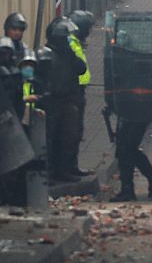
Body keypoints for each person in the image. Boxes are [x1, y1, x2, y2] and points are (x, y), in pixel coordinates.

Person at [41, 18, 87, 183]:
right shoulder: (46, 54)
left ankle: (65, 170)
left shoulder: (68, 55)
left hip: (68, 100)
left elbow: (82, 69)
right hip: (52, 101)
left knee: (68, 136)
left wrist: (72, 54)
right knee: (50, 138)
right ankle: (50, 172)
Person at [111, 118, 152, 202]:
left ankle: (128, 189)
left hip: (137, 113)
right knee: (127, 147)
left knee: (126, 147)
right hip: (136, 112)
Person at [68, 11, 94, 177]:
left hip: (78, 91)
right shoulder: (71, 43)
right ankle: (69, 167)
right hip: (73, 91)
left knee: (77, 131)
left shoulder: (75, 41)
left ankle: (73, 166)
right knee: (72, 131)